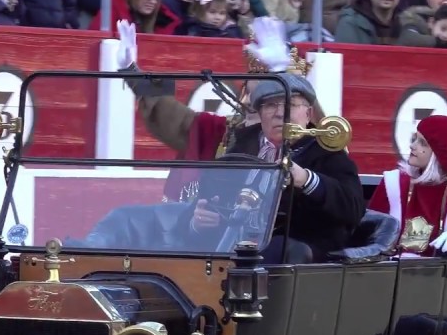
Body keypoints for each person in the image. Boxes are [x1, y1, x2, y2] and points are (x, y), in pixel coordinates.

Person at [110, 17, 365, 262]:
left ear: (307, 112)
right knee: (127, 220)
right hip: (229, 248)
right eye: (268, 103)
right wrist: (197, 221)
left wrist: (305, 179)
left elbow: (350, 206)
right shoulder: (233, 138)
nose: (279, 112)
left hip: (284, 256)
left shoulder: (321, 146)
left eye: (286, 102)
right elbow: (208, 200)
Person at [367, 114, 447, 257]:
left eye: (423, 143)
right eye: (415, 139)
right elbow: (368, 229)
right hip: (390, 268)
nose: (412, 146)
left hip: (445, 270)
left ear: (440, 154)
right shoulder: (394, 184)